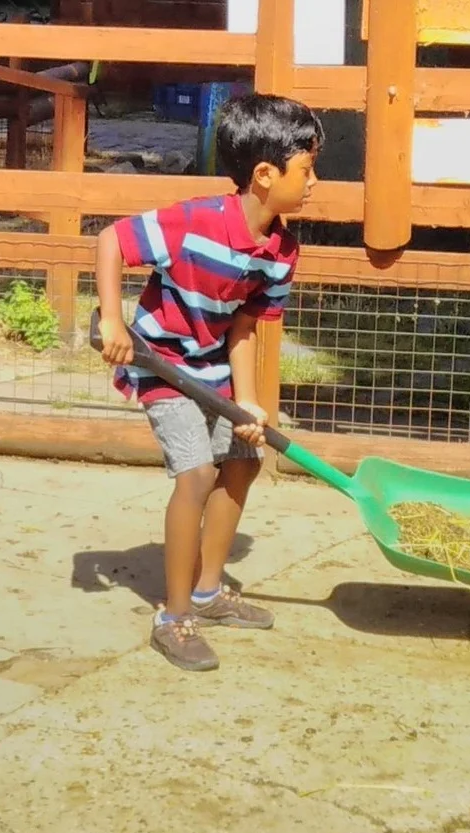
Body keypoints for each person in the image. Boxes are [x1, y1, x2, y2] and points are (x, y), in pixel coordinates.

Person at [95, 92, 319, 671]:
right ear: (265, 175)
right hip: (160, 361)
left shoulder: (282, 250)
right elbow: (113, 240)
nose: (314, 181)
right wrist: (114, 319)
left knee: (243, 459)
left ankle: (208, 590)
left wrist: (246, 403)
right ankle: (173, 618)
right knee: (195, 473)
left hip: (216, 367)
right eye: (308, 167)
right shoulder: (194, 222)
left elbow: (245, 327)